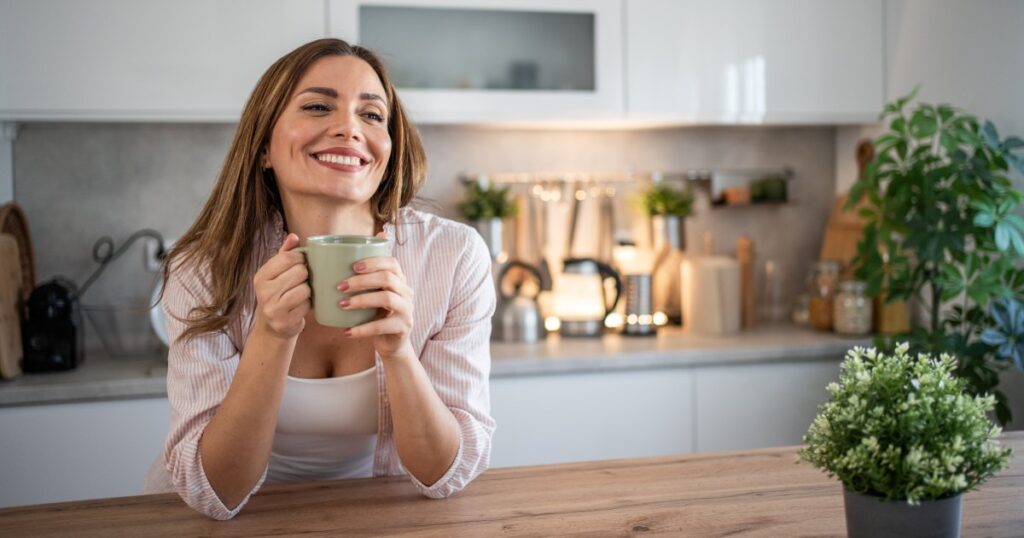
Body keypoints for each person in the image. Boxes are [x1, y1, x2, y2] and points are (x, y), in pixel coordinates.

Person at [142, 38, 496, 521]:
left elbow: (447, 473)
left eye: (372, 115)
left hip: (381, 519)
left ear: (388, 149)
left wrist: (399, 352)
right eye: (317, 106)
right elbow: (213, 492)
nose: (349, 128)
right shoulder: (202, 268)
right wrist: (270, 334)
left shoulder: (453, 257)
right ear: (264, 146)